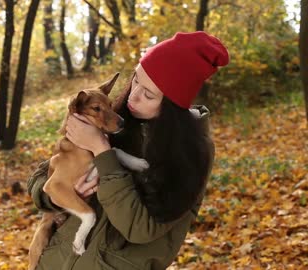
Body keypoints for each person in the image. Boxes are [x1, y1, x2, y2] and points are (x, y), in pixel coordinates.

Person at [27, 31, 229, 270]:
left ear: (173, 105)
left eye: (148, 94)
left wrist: (102, 150)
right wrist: (60, 199)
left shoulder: (191, 155)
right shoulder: (116, 118)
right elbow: (41, 180)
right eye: (136, 80)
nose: (133, 96)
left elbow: (140, 228)